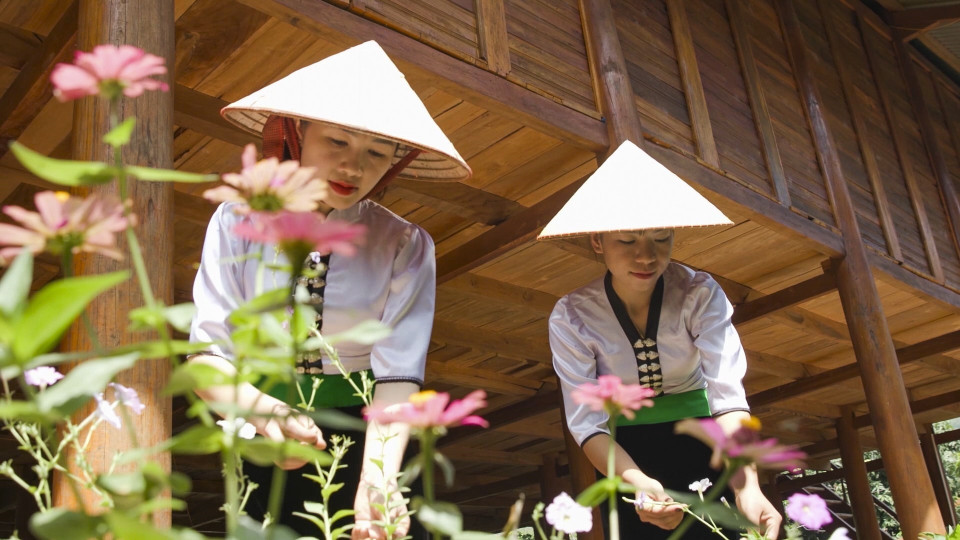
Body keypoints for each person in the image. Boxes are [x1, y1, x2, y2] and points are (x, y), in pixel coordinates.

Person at [188, 41, 471, 539]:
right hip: (260, 421)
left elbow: (398, 375)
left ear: (396, 162)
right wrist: (264, 410)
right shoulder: (237, 218)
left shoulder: (405, 243)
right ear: (298, 131)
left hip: (375, 435)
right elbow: (207, 355)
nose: (354, 168)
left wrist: (378, 479)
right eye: (337, 142)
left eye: (377, 153)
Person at [540, 141, 782, 539]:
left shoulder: (701, 294)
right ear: (597, 241)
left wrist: (748, 486)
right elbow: (589, 424)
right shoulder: (571, 316)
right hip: (626, 455)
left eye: (661, 237)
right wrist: (641, 484)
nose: (646, 256)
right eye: (628, 240)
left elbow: (728, 396)